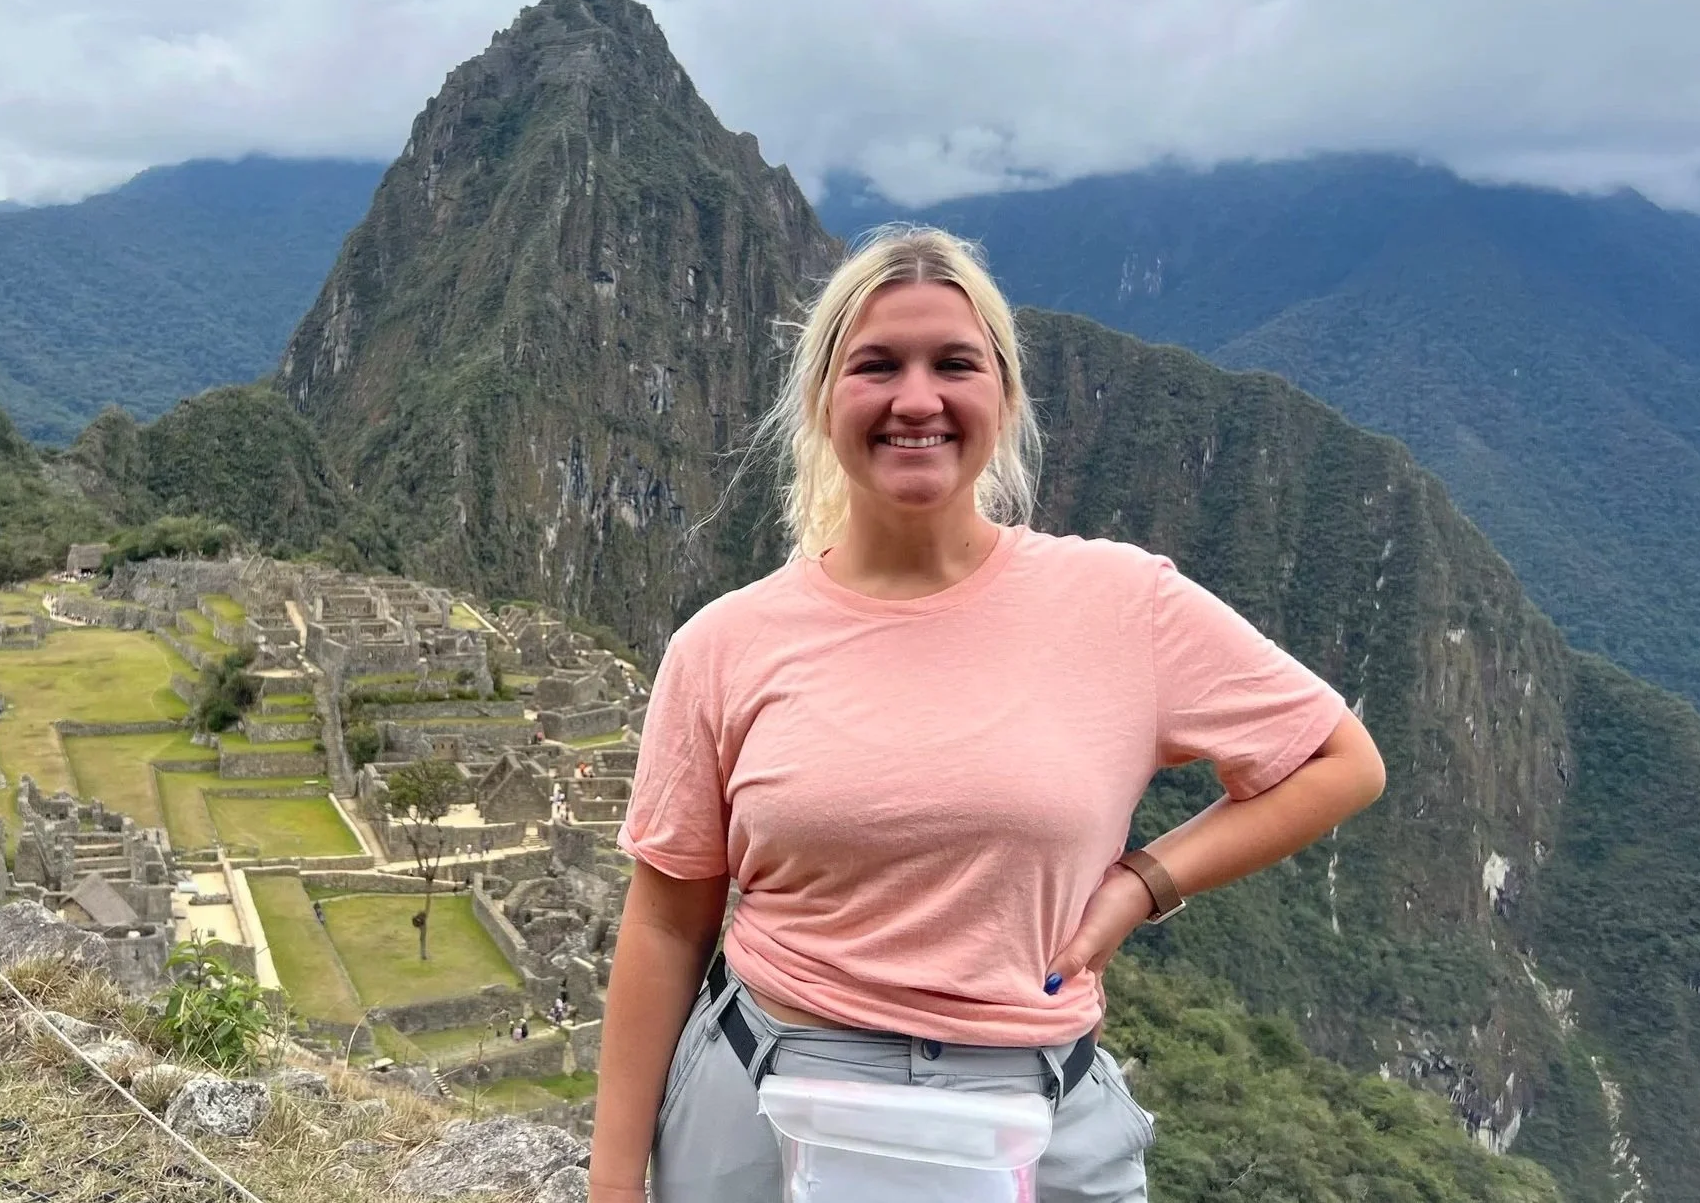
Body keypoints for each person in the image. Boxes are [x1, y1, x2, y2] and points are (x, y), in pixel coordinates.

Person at [586, 227, 1387, 1203]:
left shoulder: (1121, 603)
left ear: (1003, 398)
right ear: (821, 400)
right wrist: (613, 1181)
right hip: (767, 1093)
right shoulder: (725, 645)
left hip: (1029, 1109)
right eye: (875, 365)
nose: (915, 398)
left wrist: (1143, 883)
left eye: (953, 365)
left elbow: (1337, 761)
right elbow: (667, 925)